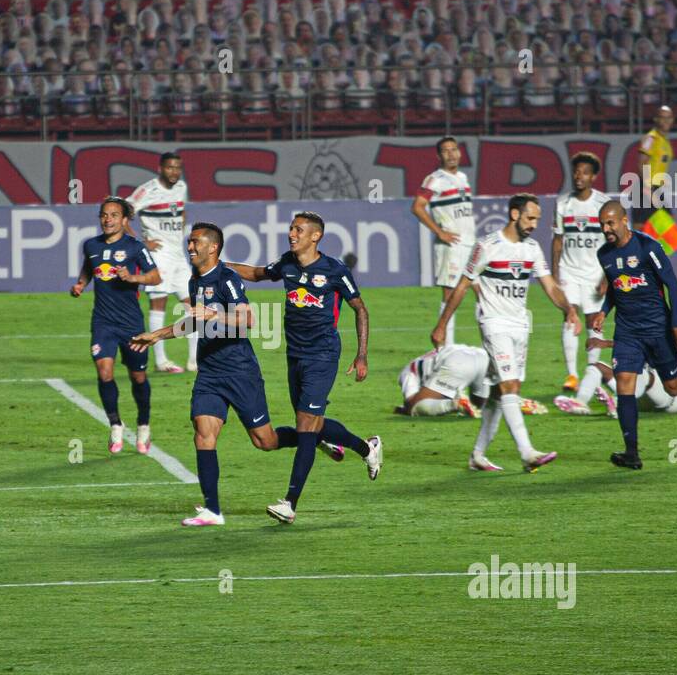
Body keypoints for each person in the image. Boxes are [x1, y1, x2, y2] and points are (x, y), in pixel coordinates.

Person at [132, 222, 333, 526]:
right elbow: (196, 323)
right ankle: (212, 509)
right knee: (203, 434)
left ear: (213, 247)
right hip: (210, 371)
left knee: (264, 441)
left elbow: (247, 320)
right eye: (189, 243)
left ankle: (312, 437)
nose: (190, 248)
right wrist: (157, 335)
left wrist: (213, 314)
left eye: (195, 242)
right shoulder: (195, 281)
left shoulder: (226, 280)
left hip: (240, 372)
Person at [226, 212, 382, 524]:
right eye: (291, 229)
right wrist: (221, 266)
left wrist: (361, 354)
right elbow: (257, 273)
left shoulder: (335, 270)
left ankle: (290, 502)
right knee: (310, 424)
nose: (291, 234)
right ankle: (367, 448)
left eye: (298, 230)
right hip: (295, 354)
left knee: (306, 425)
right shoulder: (287, 263)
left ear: (315, 237)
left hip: (323, 355)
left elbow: (360, 309)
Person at [431, 193, 579, 473]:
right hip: (493, 324)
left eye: (537, 219)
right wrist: (441, 324)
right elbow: (462, 285)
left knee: (502, 392)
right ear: (514, 214)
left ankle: (477, 455)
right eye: (530, 217)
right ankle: (527, 453)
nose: (534, 224)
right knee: (510, 385)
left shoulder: (532, 249)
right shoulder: (487, 246)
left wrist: (568, 310)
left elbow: (550, 286)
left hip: (520, 326)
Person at [590, 200, 677, 469]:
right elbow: (616, 285)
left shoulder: (648, 247)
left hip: (657, 329)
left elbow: (673, 285)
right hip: (627, 331)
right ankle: (632, 453)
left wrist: (676, 324)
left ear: (624, 221)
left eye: (610, 222)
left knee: (672, 386)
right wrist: (604, 311)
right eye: (602, 224)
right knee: (625, 382)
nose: (606, 228)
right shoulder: (604, 254)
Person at [71, 197, 162, 454]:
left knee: (138, 376)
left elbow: (155, 277)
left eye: (113, 215)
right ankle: (115, 424)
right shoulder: (91, 245)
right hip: (103, 321)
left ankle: (143, 425)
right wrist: (80, 283)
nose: (107, 219)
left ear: (124, 220)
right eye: (104, 215)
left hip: (131, 323)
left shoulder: (134, 247)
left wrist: (133, 277)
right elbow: (89, 268)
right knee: (104, 372)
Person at [126, 152, 198, 373]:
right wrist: (141, 242)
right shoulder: (148, 190)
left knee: (195, 307)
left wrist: (181, 234)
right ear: (160, 168)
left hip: (178, 255)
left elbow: (182, 211)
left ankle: (194, 360)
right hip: (159, 256)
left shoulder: (181, 187)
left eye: (178, 167)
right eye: (170, 167)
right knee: (159, 304)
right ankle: (160, 361)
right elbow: (123, 213)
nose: (174, 172)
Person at [551, 150, 611, 401]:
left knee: (593, 322)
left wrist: (607, 276)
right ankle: (572, 374)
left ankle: (592, 373)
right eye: (576, 171)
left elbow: (612, 241)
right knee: (569, 315)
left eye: (585, 172)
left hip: (595, 272)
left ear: (594, 177)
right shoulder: (563, 203)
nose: (579, 176)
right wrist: (554, 274)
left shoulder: (603, 205)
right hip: (569, 270)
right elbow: (557, 240)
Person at [409, 136, 475, 347]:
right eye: (446, 151)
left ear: (460, 152)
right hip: (451, 247)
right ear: (439, 156)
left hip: (470, 244)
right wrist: (439, 232)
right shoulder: (434, 179)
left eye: (454, 149)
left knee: (483, 293)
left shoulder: (463, 178)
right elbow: (417, 206)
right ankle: (446, 347)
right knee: (450, 295)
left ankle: (490, 343)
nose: (451, 154)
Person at [394, 344, 490, 417]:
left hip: (457, 361)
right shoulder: (424, 361)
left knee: (414, 407)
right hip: (482, 356)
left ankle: (456, 404)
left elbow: (410, 402)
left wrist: (405, 409)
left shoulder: (407, 373)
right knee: (477, 407)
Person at [635, 104, 674, 227]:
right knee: (641, 227)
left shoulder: (664, 141)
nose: (666, 121)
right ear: (656, 119)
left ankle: (653, 246)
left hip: (656, 187)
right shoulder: (651, 138)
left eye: (669, 118)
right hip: (646, 187)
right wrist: (648, 188)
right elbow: (642, 163)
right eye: (663, 117)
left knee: (665, 224)